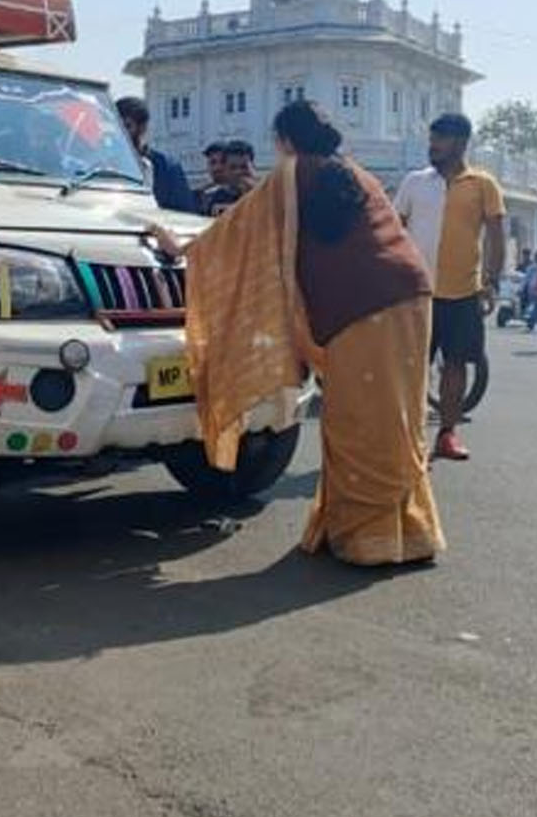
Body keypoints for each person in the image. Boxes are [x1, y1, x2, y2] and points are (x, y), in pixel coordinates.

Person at [150, 101, 442, 566]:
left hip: (363, 308)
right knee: (397, 420)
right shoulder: (354, 171)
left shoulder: (293, 173)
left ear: (285, 140)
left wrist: (179, 247)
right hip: (410, 294)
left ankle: (369, 540)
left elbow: (236, 231)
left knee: (357, 422)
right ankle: (407, 533)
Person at [393, 113, 505, 461]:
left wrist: (490, 281)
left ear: (460, 143)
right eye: (431, 139)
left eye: (439, 140)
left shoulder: (483, 183)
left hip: (462, 293)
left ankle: (447, 434)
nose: (433, 146)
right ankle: (408, 435)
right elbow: (394, 231)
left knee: (455, 364)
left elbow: (495, 238)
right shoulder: (414, 182)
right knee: (411, 368)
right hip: (415, 293)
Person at [112, 96, 195, 212]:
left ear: (142, 127)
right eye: (116, 126)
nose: (120, 133)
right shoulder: (107, 166)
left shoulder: (168, 168)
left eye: (127, 126)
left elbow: (184, 214)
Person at [199, 139, 258, 217]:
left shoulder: (267, 192)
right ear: (226, 170)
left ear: (253, 167)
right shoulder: (217, 198)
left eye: (244, 167)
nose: (238, 172)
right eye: (233, 168)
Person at [195, 141, 227, 211]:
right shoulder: (200, 194)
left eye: (223, 162)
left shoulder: (243, 191)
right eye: (213, 162)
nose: (217, 167)